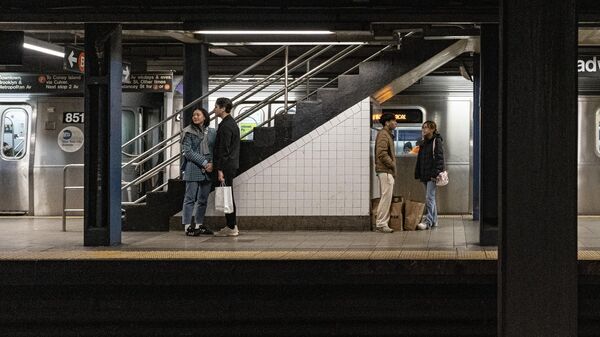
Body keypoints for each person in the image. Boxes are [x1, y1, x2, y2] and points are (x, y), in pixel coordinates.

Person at [181, 107, 216, 236]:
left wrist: (212, 163)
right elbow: (188, 152)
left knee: (203, 199)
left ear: (205, 117)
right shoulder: (188, 132)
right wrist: (205, 163)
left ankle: (199, 224)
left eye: (198, 115)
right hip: (193, 167)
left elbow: (214, 149)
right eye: (194, 115)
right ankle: (187, 226)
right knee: (189, 198)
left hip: (209, 169)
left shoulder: (212, 132)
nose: (195, 117)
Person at [212, 97, 241, 237]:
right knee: (228, 195)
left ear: (223, 108)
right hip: (230, 165)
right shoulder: (231, 123)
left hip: (226, 166)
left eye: (216, 107)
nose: (214, 109)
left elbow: (224, 149)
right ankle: (231, 225)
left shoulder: (226, 126)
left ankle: (231, 226)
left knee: (228, 196)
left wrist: (220, 170)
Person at [414, 120, 445, 230]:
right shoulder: (423, 142)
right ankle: (434, 220)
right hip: (424, 174)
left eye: (426, 127)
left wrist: (436, 173)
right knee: (430, 198)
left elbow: (439, 158)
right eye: (423, 127)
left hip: (432, 174)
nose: (424, 129)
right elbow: (420, 160)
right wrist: (418, 172)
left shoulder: (436, 141)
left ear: (432, 129)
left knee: (429, 197)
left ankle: (428, 221)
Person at [374, 112, 398, 233]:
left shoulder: (387, 134)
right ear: (387, 122)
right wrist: (392, 164)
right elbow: (382, 153)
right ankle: (381, 223)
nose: (396, 123)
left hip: (386, 170)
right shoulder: (384, 135)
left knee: (386, 197)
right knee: (386, 197)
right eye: (393, 121)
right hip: (385, 170)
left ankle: (382, 223)